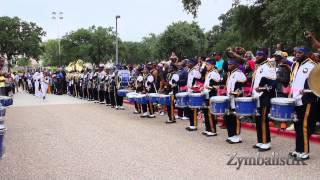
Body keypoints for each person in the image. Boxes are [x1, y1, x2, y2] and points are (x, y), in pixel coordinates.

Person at [289, 47, 318, 160]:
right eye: (296, 52)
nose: (296, 54)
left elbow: (316, 85)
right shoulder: (295, 65)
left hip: (307, 101)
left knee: (304, 127)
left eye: (300, 52)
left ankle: (305, 152)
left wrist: (306, 91)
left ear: (306, 54)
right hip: (295, 100)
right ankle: (298, 150)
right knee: (298, 126)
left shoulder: (312, 66)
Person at [251, 49, 277, 151]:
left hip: (265, 97)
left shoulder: (269, 65)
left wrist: (262, 89)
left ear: (266, 55)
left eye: (260, 55)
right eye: (256, 54)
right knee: (258, 120)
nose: (257, 56)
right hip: (257, 96)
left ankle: (266, 142)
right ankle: (260, 141)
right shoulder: (259, 66)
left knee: (263, 120)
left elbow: (272, 84)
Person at [224, 58, 247, 143]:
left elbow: (240, 88)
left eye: (231, 64)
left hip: (236, 99)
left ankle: (237, 136)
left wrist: (234, 94)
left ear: (236, 65)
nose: (229, 65)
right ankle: (231, 135)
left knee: (236, 118)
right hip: (230, 99)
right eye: (228, 64)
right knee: (229, 118)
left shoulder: (239, 73)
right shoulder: (231, 73)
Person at [201, 58, 221, 136]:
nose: (206, 66)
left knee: (210, 113)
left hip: (211, 94)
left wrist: (210, 87)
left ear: (213, 65)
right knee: (206, 112)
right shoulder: (208, 72)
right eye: (206, 64)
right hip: (206, 93)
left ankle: (213, 130)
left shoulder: (215, 73)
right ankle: (207, 128)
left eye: (208, 65)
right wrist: (203, 87)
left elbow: (218, 85)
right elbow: (207, 83)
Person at [185, 58, 202, 131]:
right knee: (190, 109)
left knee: (193, 109)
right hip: (190, 91)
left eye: (189, 63)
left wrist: (194, 87)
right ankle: (191, 124)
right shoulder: (190, 70)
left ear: (192, 63)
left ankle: (194, 125)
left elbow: (199, 80)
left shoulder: (195, 71)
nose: (187, 64)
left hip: (194, 92)